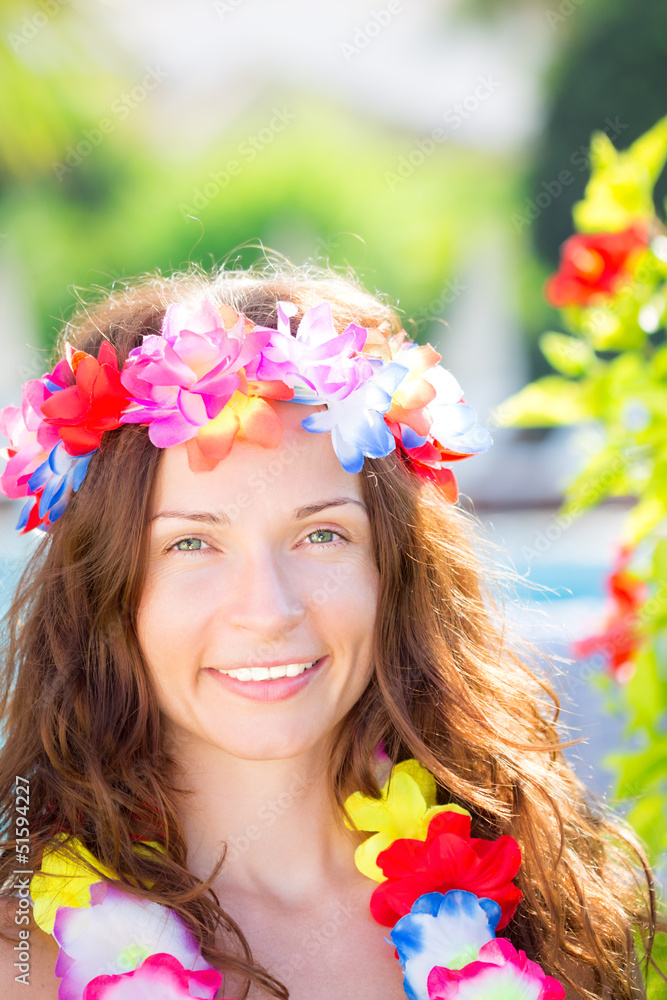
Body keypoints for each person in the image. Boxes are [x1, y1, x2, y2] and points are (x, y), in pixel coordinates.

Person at [0, 259, 656, 1000]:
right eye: (190, 544)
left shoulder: (552, 908)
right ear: (103, 590)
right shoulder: (21, 961)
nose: (269, 608)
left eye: (320, 536)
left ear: (394, 569)